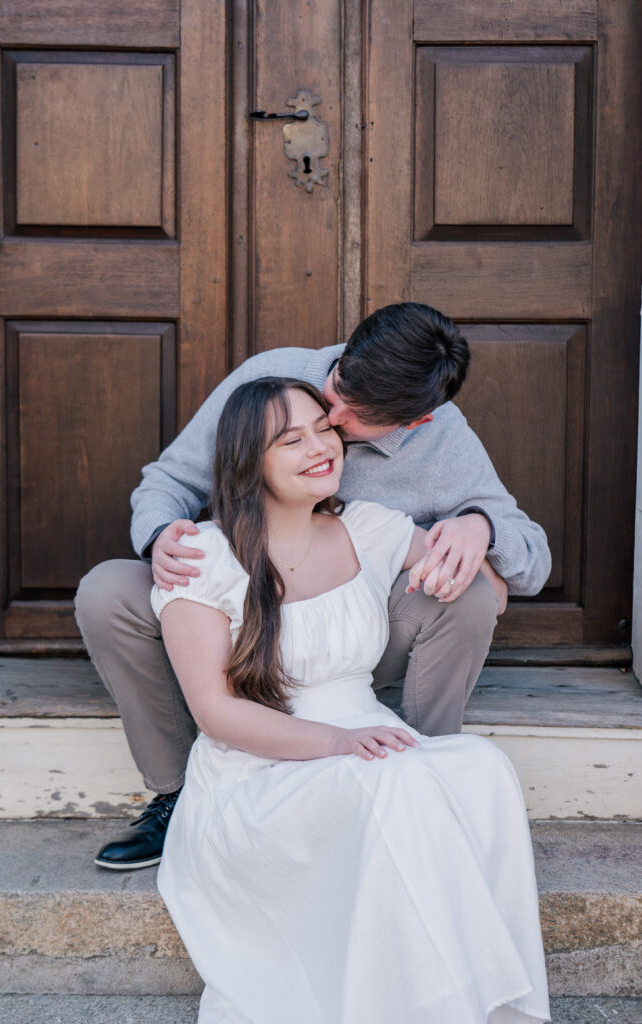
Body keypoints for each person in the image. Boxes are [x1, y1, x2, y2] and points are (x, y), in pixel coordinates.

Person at [75, 302, 551, 871]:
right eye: (338, 388)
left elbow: (530, 560)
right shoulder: (271, 377)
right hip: (237, 622)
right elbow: (170, 480)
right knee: (107, 590)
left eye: (355, 418)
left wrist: (482, 526)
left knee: (469, 593)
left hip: (351, 636)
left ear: (413, 423)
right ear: (347, 352)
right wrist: (160, 537)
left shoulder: (442, 441)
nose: (331, 417)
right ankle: (176, 794)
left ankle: (424, 776)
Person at [152, 377, 550, 1024]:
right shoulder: (203, 555)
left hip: (369, 742)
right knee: (396, 784)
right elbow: (215, 712)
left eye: (323, 429)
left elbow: (488, 583)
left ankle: (488, 1004)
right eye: (291, 440)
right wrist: (336, 743)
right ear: (248, 461)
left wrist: (475, 530)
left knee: (483, 768)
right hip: (258, 772)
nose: (320, 447)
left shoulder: (367, 527)